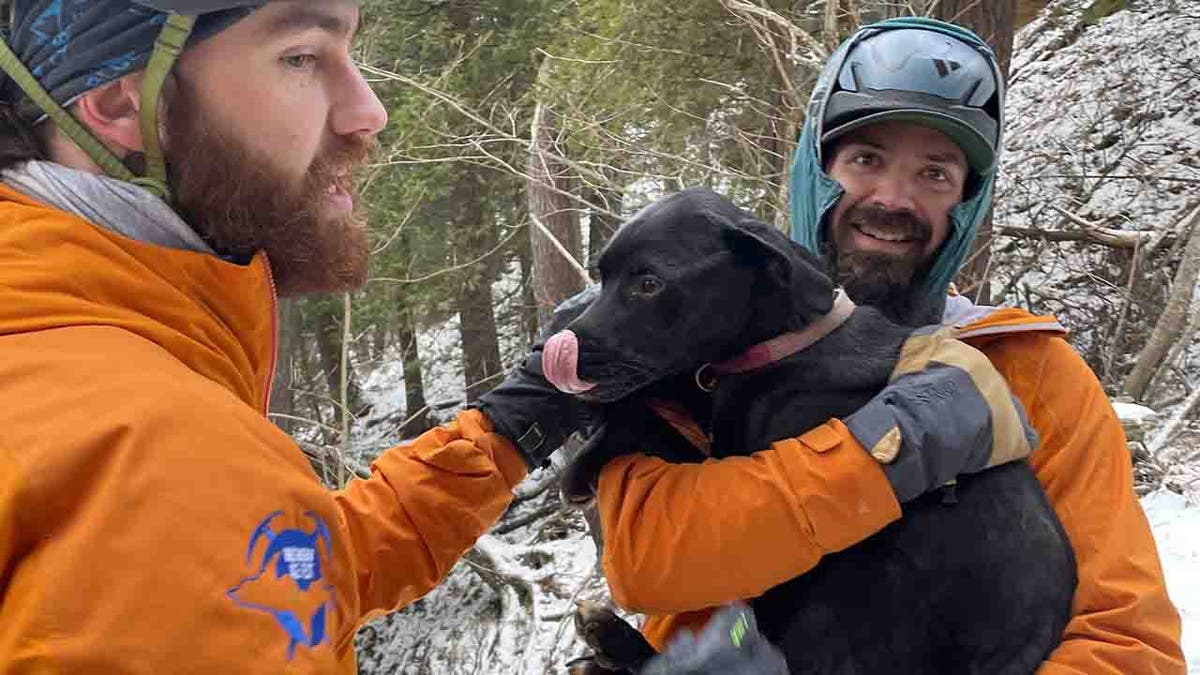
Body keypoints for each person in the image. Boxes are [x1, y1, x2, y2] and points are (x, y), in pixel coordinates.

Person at [565, 17, 1183, 673]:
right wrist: (890, 448)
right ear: (816, 170)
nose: (894, 199)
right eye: (866, 159)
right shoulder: (699, 360)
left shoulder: (1027, 371)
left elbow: (1127, 643)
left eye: (935, 174)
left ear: (966, 205)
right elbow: (648, 558)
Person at [0, 1, 581, 670]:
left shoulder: (57, 363)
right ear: (120, 106)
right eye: (301, 57)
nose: (368, 110)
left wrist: (510, 427)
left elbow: (263, 577)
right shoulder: (158, 455)